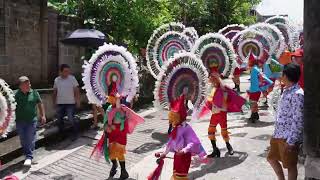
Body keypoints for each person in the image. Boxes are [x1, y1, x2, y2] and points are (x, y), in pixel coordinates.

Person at [157, 87, 206, 180]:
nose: (172, 121)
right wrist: (163, 153)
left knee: (181, 177)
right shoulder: (175, 128)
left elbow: (192, 142)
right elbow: (170, 143)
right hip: (177, 157)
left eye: (173, 117)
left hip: (184, 157)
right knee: (175, 175)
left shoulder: (186, 128)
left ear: (180, 117)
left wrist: (184, 150)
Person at [267, 63, 304, 180]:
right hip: (279, 133)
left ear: (287, 76)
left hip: (288, 137)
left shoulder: (297, 94)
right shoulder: (287, 90)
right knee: (271, 158)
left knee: (290, 165)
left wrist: (292, 140)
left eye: (283, 74)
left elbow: (298, 119)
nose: (281, 76)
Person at [15, 76, 46, 166]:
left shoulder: (34, 93)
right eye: (27, 84)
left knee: (30, 138)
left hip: (32, 120)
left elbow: (40, 104)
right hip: (20, 121)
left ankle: (29, 157)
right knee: (23, 139)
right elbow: (10, 107)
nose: (29, 85)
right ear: (21, 86)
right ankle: (28, 155)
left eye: (29, 84)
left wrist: (43, 115)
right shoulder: (15, 95)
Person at [53, 64, 80, 139]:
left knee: (71, 119)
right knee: (59, 120)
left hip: (70, 103)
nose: (67, 73)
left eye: (68, 71)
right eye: (65, 71)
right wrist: (54, 102)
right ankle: (62, 135)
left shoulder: (72, 78)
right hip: (60, 103)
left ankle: (75, 133)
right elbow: (55, 92)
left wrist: (78, 101)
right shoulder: (57, 80)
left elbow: (76, 90)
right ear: (60, 72)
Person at [247, 53, 273, 123]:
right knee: (253, 103)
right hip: (255, 89)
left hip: (255, 90)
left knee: (252, 103)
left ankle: (254, 116)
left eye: (248, 61)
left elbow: (262, 77)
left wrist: (268, 84)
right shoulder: (255, 69)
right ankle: (255, 115)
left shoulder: (255, 69)